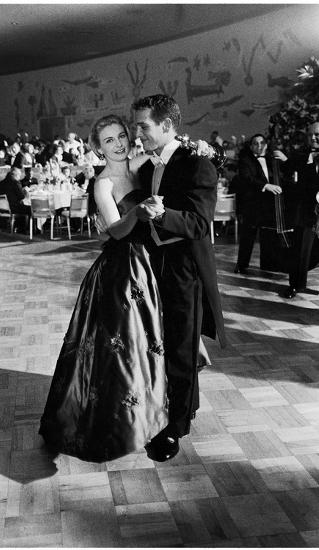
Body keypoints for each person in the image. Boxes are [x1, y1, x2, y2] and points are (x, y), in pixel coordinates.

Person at [39, 114, 169, 463]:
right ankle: (119, 425)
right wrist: (137, 212)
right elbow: (114, 230)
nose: (118, 143)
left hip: (152, 262)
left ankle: (156, 416)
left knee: (152, 344)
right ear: (98, 147)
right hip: (123, 269)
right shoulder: (103, 183)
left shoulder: (143, 165)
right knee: (121, 350)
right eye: (109, 140)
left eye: (122, 136)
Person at [130, 94, 226, 462]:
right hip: (152, 266)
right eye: (137, 125)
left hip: (185, 270)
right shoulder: (146, 167)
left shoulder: (198, 164)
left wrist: (161, 214)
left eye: (144, 125)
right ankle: (178, 405)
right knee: (161, 342)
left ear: (167, 126)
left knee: (182, 349)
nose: (138, 133)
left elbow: (200, 223)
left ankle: (177, 427)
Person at [234, 134, 283, 275]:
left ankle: (268, 264)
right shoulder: (245, 160)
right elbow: (247, 178)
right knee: (248, 236)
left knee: (268, 236)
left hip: (269, 204)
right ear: (251, 146)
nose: (259, 146)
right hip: (252, 204)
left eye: (262, 143)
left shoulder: (271, 160)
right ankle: (242, 264)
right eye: (255, 143)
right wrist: (266, 186)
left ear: (266, 145)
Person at [280, 122, 319, 298]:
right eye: (311, 135)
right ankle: (295, 285)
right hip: (307, 211)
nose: (313, 138)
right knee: (299, 250)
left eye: (317, 134)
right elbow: (291, 174)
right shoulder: (302, 156)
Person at [0, 166, 31, 231]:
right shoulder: (15, 182)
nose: (19, 177)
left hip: (2, 207)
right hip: (13, 208)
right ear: (16, 175)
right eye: (19, 175)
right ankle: (25, 229)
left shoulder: (1, 182)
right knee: (30, 209)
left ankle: (16, 226)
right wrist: (24, 191)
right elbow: (21, 196)